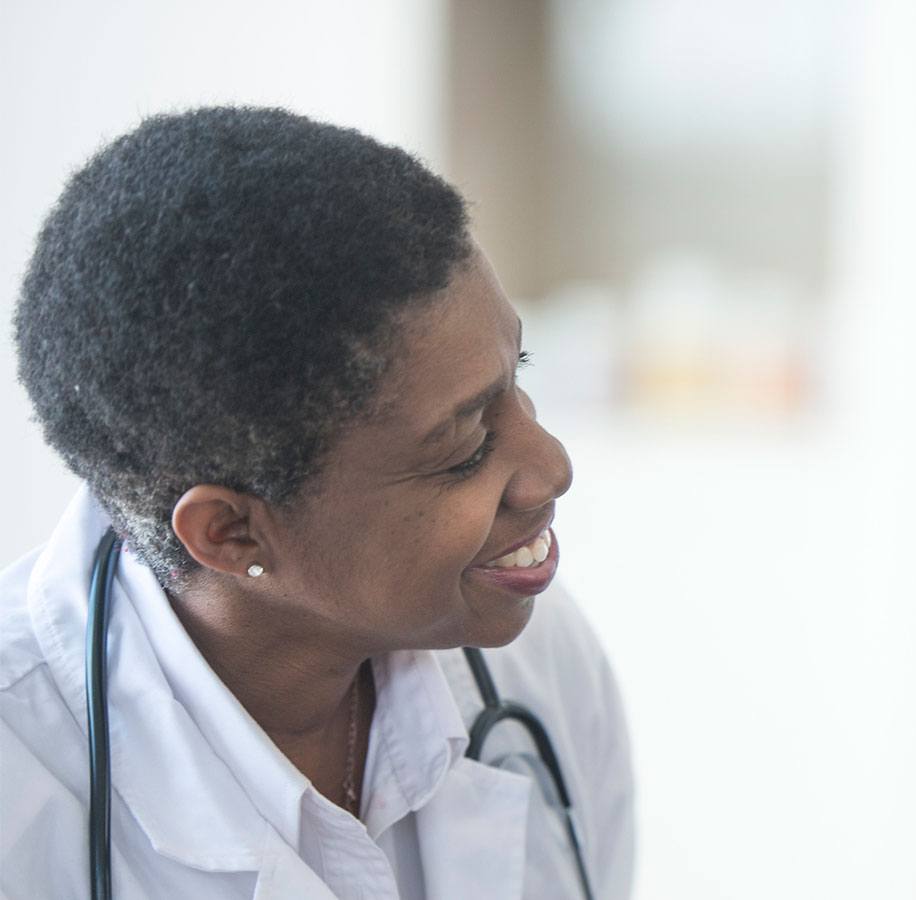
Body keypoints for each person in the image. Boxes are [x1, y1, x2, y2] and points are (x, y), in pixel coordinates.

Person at [1, 107, 634, 899]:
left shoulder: (536, 658)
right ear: (230, 532)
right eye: (465, 444)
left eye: (519, 373)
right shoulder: (21, 787)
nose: (551, 467)